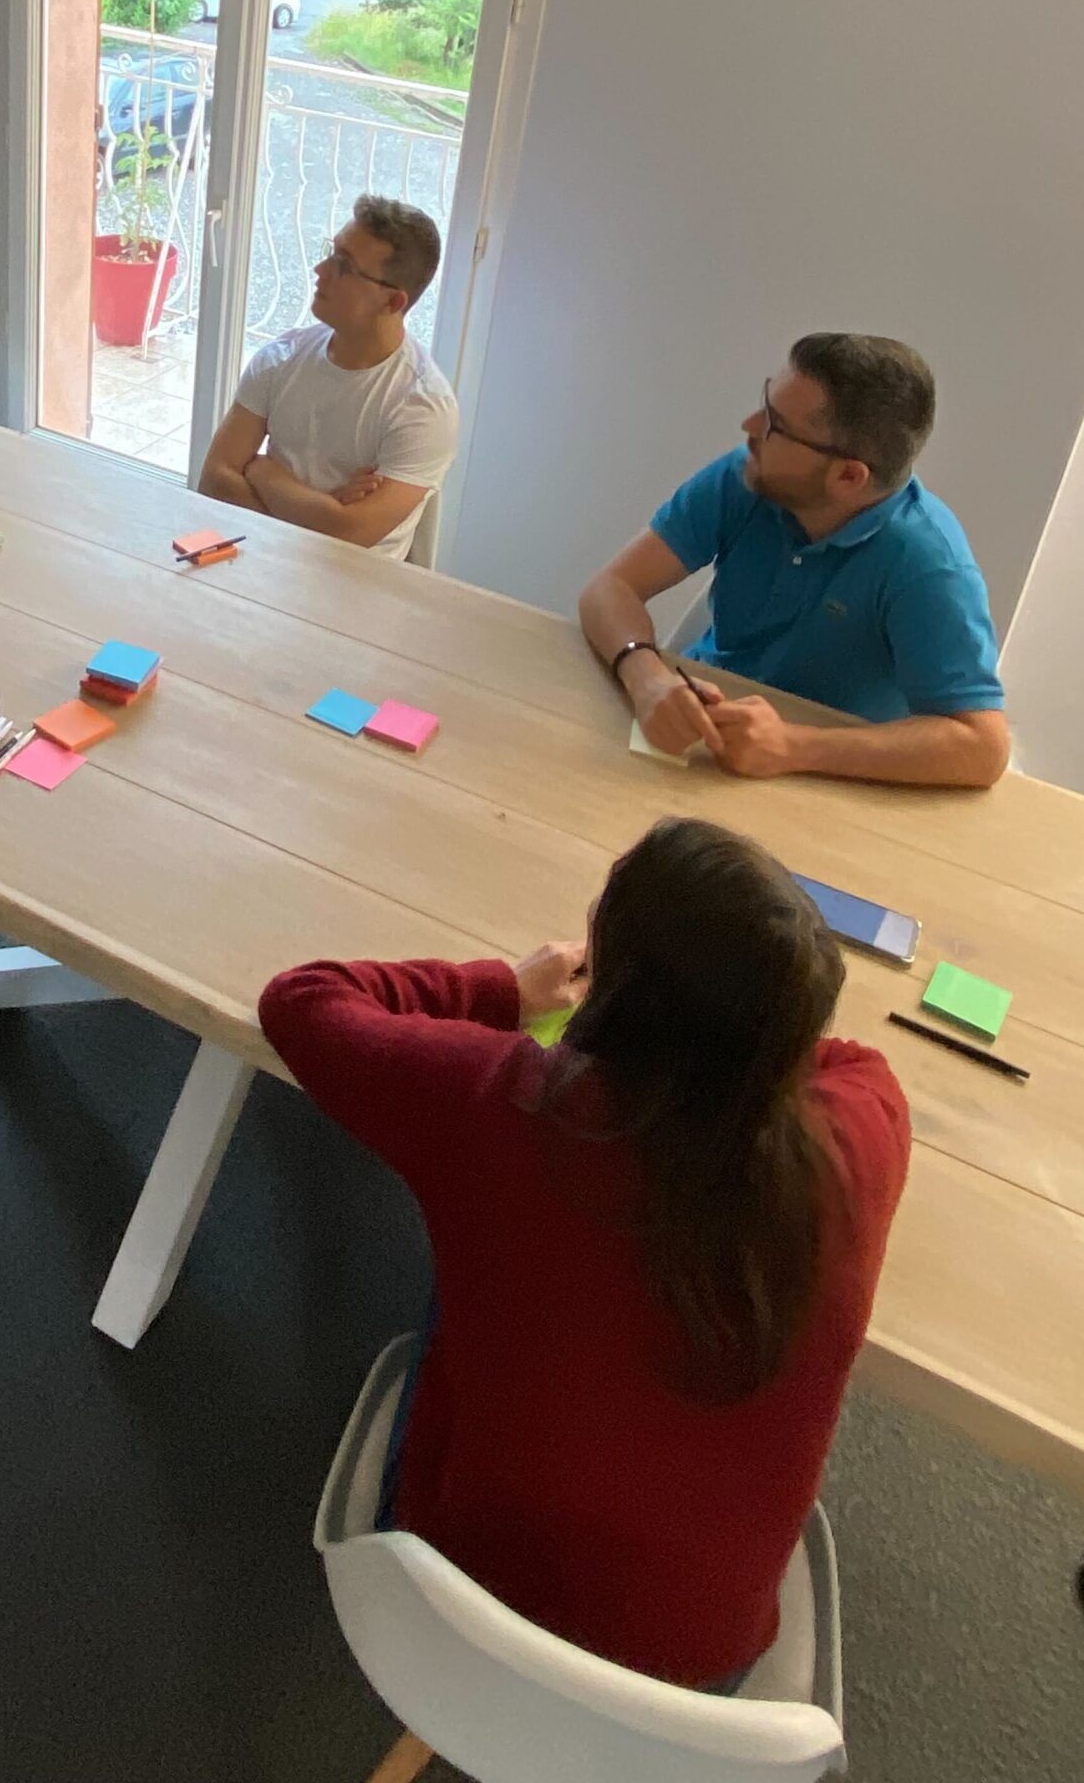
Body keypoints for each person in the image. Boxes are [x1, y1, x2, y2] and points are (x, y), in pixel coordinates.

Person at [260, 817, 909, 1693]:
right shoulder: (866, 1129)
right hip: (704, 1676)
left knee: (472, 1253)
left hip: (458, 1604)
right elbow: (848, 1060)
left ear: (618, 988)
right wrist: (749, 1025)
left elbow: (302, 1001)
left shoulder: (500, 1103)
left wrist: (501, 990)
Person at [579, 334, 1009, 788]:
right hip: (705, 732)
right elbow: (610, 588)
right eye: (765, 405)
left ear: (848, 476)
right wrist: (646, 677)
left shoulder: (929, 565)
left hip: (827, 779)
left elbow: (982, 747)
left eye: (776, 426)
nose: (749, 427)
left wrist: (793, 746)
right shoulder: (747, 475)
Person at [198, 195, 459, 559]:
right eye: (331, 252)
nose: (320, 269)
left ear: (392, 302)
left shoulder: (423, 407)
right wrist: (322, 510)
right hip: (261, 559)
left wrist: (263, 473)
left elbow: (350, 533)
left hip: (356, 584)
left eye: (344, 266)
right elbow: (215, 479)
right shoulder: (281, 357)